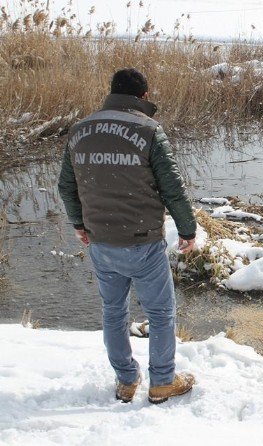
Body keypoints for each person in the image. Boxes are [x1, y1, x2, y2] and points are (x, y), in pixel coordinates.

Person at [58, 68, 196, 404]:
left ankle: (125, 379)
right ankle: (162, 381)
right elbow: (172, 188)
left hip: (101, 242)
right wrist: (188, 230)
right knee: (161, 313)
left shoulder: (80, 130)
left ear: (112, 91)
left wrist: (79, 224)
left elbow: (66, 185)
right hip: (143, 241)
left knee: (113, 311)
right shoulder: (149, 130)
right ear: (144, 96)